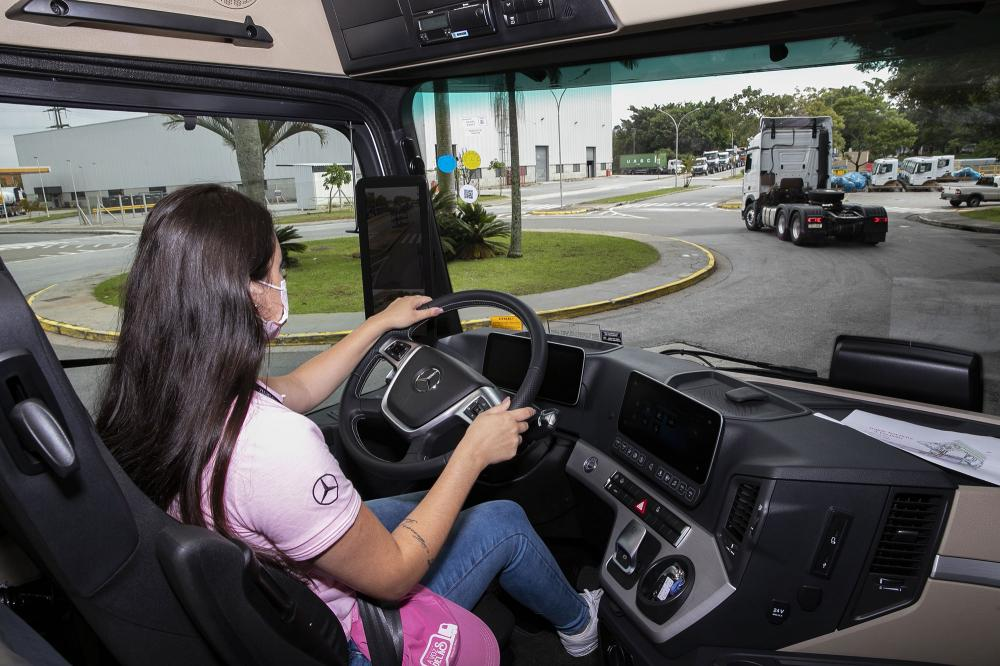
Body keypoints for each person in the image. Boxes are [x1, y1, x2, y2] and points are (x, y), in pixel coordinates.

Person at [98, 184, 602, 664]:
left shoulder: (164, 397)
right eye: (278, 272)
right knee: (505, 521)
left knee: (421, 503)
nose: (283, 285)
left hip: (281, 599)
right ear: (243, 293)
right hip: (353, 638)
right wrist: (472, 450)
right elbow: (393, 576)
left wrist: (379, 324)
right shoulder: (272, 447)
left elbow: (298, 388)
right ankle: (581, 629)